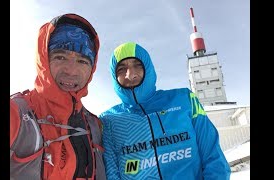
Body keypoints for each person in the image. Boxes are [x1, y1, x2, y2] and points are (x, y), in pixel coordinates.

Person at [99, 42, 231, 179]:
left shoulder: (185, 100)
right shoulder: (108, 120)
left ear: (148, 67)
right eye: (121, 69)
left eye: (137, 65)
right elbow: (111, 174)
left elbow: (214, 158)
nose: (130, 74)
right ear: (114, 77)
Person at [10, 13, 106, 180]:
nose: (71, 71)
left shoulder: (95, 126)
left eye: (82, 61)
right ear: (44, 60)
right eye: (60, 57)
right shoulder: (15, 113)